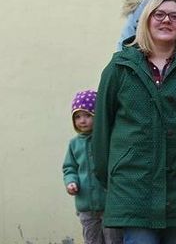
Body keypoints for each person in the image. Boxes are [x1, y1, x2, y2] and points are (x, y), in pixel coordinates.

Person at [93, 0, 176, 244]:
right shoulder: (119, 67)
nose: (166, 21)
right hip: (132, 188)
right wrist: (111, 179)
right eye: (159, 15)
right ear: (146, 20)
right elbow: (101, 130)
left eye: (174, 16)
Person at [63, 89, 123, 244]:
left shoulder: (106, 139)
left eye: (88, 115)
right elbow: (69, 168)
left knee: (114, 240)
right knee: (91, 240)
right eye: (77, 116)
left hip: (109, 205)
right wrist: (71, 182)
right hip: (86, 206)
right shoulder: (74, 144)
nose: (82, 121)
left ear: (98, 116)